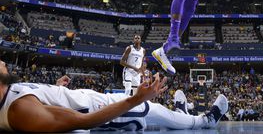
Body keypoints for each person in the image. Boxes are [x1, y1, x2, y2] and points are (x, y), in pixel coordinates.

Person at [0, 60, 228, 132]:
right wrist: (135, 99)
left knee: (157, 112)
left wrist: (53, 89)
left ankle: (181, 113)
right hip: (97, 111)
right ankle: (205, 121)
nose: (2, 61)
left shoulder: (13, 97)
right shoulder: (20, 111)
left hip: (88, 100)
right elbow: (83, 122)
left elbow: (40, 105)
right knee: (154, 111)